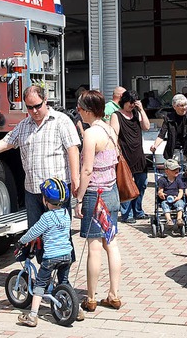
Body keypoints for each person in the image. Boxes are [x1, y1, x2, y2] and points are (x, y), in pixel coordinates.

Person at [0, 85, 81, 227]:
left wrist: (76, 179)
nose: (34, 111)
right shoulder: (24, 125)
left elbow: (72, 149)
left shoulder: (61, 121)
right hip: (32, 191)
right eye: (29, 107)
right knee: (35, 238)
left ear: (45, 100)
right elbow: (4, 143)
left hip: (55, 192)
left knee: (59, 238)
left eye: (37, 106)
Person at [73, 90, 122, 313]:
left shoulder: (91, 134)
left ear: (89, 110)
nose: (78, 111)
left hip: (95, 194)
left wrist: (79, 198)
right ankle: (114, 294)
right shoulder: (110, 130)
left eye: (80, 108)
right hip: (112, 192)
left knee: (94, 247)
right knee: (111, 243)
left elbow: (87, 169)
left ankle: (91, 297)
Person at [16, 178, 80, 327]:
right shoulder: (65, 214)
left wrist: (22, 241)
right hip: (67, 255)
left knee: (40, 284)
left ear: (45, 200)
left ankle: (32, 315)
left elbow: (33, 232)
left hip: (51, 257)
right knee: (63, 282)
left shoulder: (46, 218)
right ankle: (77, 308)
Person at [110, 90, 151, 223]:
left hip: (138, 154)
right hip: (124, 154)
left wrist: (141, 110)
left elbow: (146, 127)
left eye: (134, 103)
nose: (132, 106)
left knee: (142, 183)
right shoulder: (116, 115)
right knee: (125, 184)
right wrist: (116, 151)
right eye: (130, 103)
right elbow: (114, 134)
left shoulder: (136, 114)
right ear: (124, 101)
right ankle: (127, 214)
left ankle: (138, 210)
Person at [150, 94, 187, 164]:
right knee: (175, 170)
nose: (184, 108)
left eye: (185, 105)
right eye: (181, 105)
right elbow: (161, 135)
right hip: (174, 149)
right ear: (174, 107)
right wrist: (155, 146)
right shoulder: (168, 117)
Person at [157, 158, 186, 229]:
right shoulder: (162, 180)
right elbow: (160, 190)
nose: (176, 171)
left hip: (176, 198)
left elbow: (181, 191)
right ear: (167, 171)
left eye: (178, 169)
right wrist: (161, 194)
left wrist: (178, 198)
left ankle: (179, 219)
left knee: (180, 203)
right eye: (173, 170)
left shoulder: (178, 180)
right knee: (164, 204)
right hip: (166, 200)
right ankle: (169, 220)